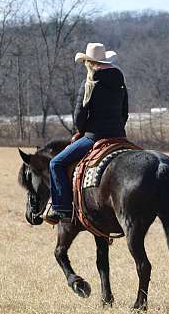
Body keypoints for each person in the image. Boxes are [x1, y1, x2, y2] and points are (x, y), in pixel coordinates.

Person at [45, 43, 129, 224]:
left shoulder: (89, 84)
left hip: (94, 137)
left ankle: (62, 209)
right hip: (120, 137)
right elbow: (124, 113)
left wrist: (82, 132)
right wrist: (117, 129)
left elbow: (79, 118)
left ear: (90, 63)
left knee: (56, 163)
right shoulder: (121, 83)